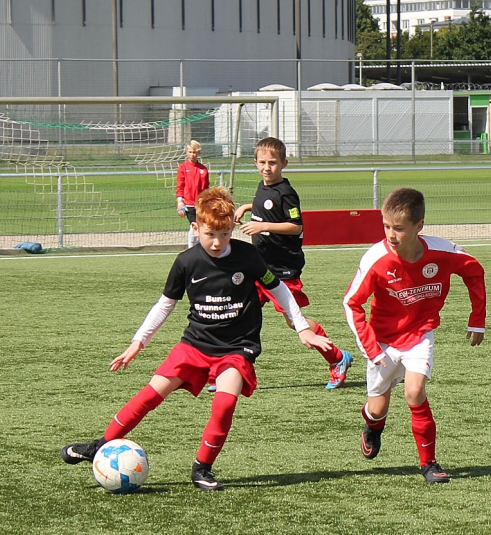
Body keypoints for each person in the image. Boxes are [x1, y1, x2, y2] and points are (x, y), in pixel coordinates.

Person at [61, 186, 332, 491]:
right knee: (150, 395)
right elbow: (165, 304)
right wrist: (138, 342)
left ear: (232, 228)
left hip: (236, 348)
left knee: (225, 403)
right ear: (196, 227)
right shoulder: (186, 262)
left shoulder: (248, 256)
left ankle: (202, 467)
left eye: (225, 234)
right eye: (209, 234)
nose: (217, 242)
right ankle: (101, 444)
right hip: (195, 344)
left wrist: (302, 327)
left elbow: (279, 287)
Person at [343, 187, 486, 484]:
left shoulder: (442, 251)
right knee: (377, 408)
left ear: (419, 226)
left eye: (399, 228)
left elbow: (474, 271)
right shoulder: (376, 259)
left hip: (420, 335)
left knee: (414, 392)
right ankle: (372, 426)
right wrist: (371, 349)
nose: (390, 234)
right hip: (382, 341)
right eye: (386, 226)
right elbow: (351, 303)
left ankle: (429, 463)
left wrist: (477, 319)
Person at [236, 137, 353, 389]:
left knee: (294, 322)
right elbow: (266, 205)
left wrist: (263, 225)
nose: (267, 168)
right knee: (242, 315)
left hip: (281, 271)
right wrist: (248, 206)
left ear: (284, 164)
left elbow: (295, 226)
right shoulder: (263, 186)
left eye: (273, 163)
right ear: (255, 162)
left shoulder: (287, 193)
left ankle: (337, 357)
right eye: (262, 162)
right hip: (259, 268)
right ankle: (235, 370)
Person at [176, 140, 209, 249]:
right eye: (190, 152)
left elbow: (205, 188)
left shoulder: (203, 169)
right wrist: (180, 201)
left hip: (200, 203)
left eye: (194, 152)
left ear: (198, 153)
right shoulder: (183, 167)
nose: (192, 155)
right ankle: (191, 248)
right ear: (186, 152)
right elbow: (180, 185)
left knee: (201, 226)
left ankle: (199, 247)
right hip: (189, 204)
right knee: (194, 225)